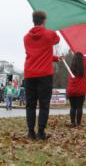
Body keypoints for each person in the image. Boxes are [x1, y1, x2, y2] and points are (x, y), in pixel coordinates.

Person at [24, 11, 60, 140]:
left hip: (29, 73)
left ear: (33, 20)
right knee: (44, 104)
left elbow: (37, 53)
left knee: (30, 104)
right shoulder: (49, 34)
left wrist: (54, 58)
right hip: (44, 74)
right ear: (44, 20)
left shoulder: (26, 37)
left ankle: (30, 132)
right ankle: (41, 132)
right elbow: (57, 40)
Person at [66, 52, 86, 127]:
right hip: (81, 90)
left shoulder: (71, 68)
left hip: (72, 90)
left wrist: (75, 56)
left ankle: (72, 122)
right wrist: (81, 55)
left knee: (72, 107)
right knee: (79, 107)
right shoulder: (84, 68)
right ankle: (78, 123)